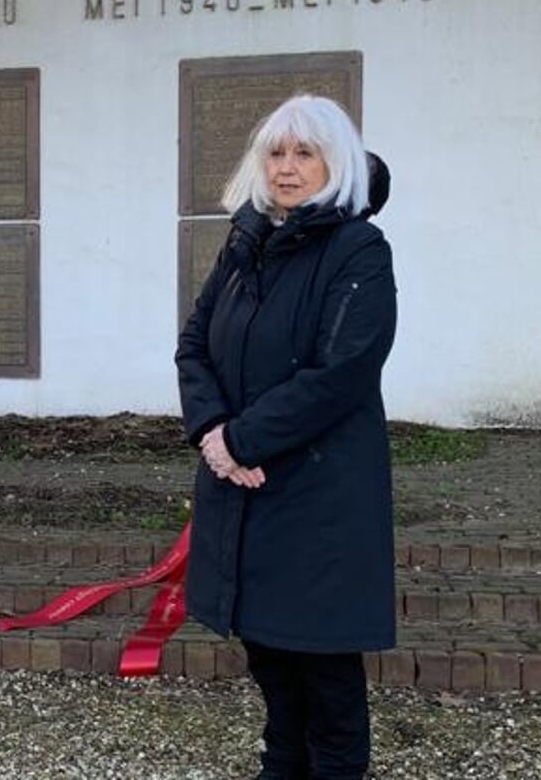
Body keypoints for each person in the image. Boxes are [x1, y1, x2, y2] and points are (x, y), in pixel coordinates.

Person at [176, 94, 397, 780]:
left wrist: (241, 442)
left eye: (305, 153)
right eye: (275, 152)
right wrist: (213, 432)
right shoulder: (244, 245)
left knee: (325, 676)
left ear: (336, 163)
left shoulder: (356, 248)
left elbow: (342, 371)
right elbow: (193, 347)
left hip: (318, 497)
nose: (287, 167)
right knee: (270, 663)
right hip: (244, 492)